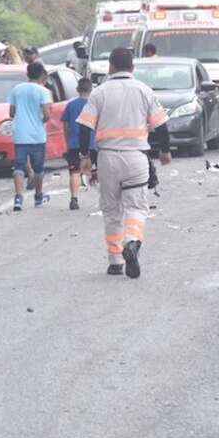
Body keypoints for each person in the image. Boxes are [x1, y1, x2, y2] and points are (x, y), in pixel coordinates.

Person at [75, 48, 172, 278]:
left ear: (110, 66)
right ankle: (131, 241)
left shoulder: (99, 93)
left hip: (108, 157)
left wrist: (85, 156)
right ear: (132, 67)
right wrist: (165, 151)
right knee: (136, 207)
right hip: (136, 157)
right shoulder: (144, 90)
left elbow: (84, 127)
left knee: (111, 209)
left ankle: (115, 261)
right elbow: (161, 126)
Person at [7, 61, 54, 210]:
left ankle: (18, 198)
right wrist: (39, 120)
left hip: (20, 133)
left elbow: (11, 113)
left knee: (19, 166)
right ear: (41, 75)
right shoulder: (42, 91)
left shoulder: (17, 89)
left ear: (28, 74)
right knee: (38, 168)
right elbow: (47, 115)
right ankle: (38, 197)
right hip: (37, 135)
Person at [61, 78, 96, 210]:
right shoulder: (94, 105)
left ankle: (74, 199)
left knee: (75, 171)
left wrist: (67, 141)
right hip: (92, 143)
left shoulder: (71, 105)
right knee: (100, 170)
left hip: (74, 144)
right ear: (91, 89)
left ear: (77, 89)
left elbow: (65, 126)